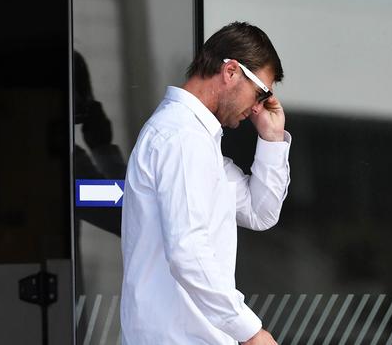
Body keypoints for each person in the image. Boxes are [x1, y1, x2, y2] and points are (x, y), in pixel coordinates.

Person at [120, 22, 291, 345]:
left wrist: (271, 139)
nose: (258, 106)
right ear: (230, 72)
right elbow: (188, 251)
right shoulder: (183, 138)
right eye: (260, 92)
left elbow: (260, 212)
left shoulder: (196, 140)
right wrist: (251, 333)